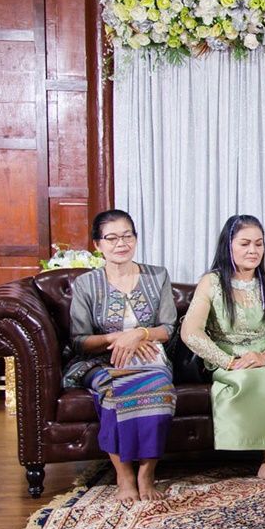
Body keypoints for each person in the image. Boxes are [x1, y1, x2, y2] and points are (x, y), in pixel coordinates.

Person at [62, 210, 176, 502]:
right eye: (111, 238)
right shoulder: (86, 284)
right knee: (114, 393)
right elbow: (79, 341)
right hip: (101, 361)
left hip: (149, 357)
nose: (121, 243)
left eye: (127, 236)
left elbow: (168, 328)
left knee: (160, 389)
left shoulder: (157, 275)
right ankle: (123, 474)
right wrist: (115, 339)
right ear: (98, 244)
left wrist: (139, 334)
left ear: (135, 239)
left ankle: (147, 472)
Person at [181, 215, 265, 494]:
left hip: (264, 355)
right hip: (225, 355)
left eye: (259, 244)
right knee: (246, 379)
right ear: (228, 245)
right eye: (245, 244)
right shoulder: (211, 282)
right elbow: (190, 332)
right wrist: (229, 362)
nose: (253, 250)